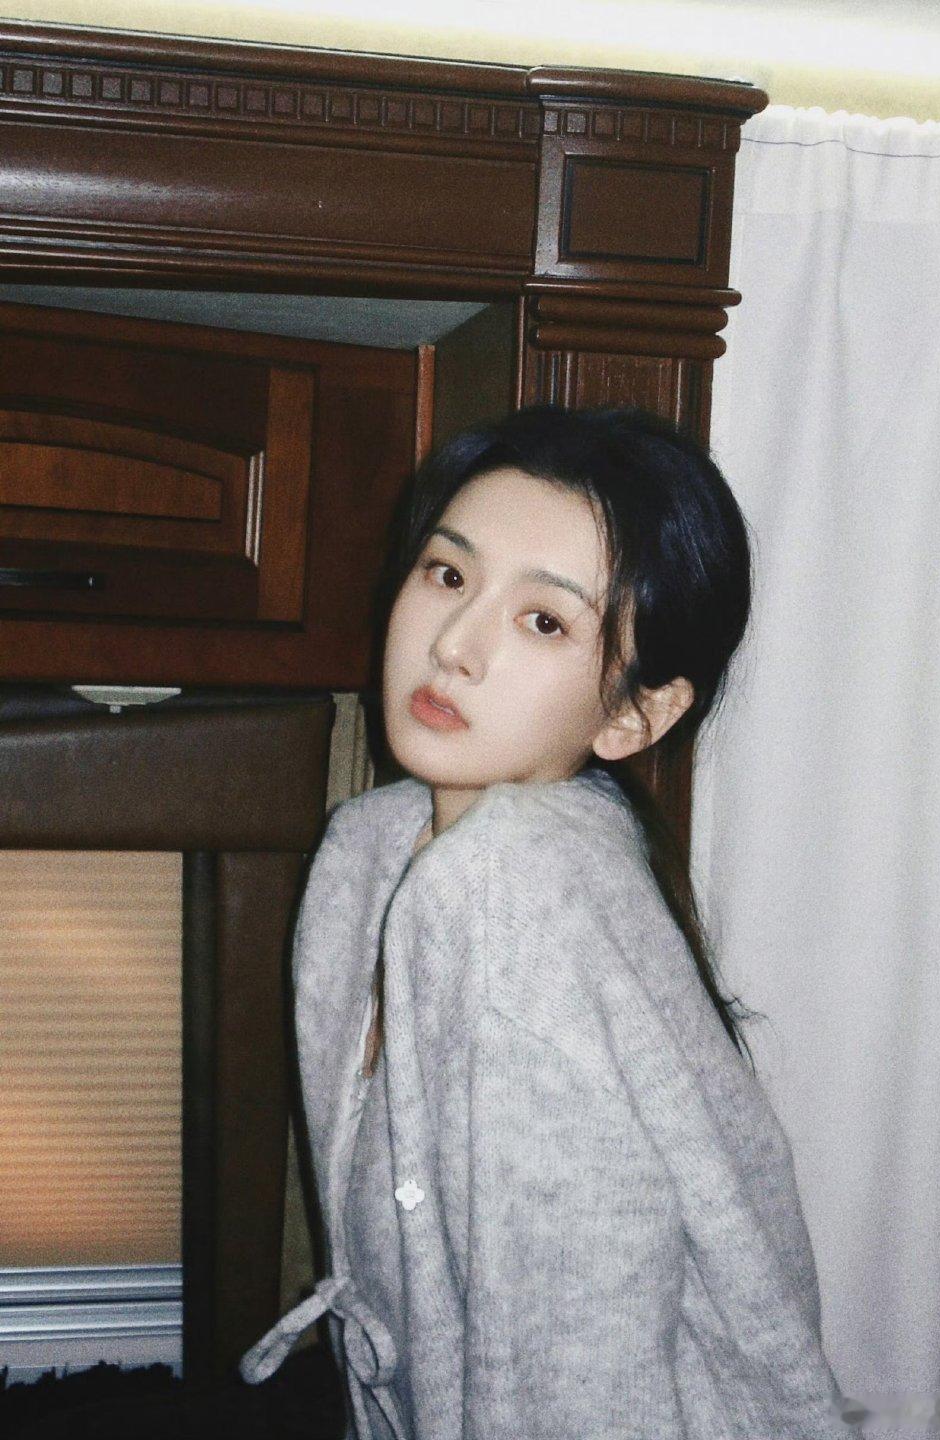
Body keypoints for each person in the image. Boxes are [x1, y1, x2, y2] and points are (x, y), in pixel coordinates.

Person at [240, 405, 860, 1439]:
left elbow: (578, 1379)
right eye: (448, 574)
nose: (454, 646)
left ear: (634, 714)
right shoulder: (376, 852)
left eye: (544, 622)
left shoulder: (517, 904)